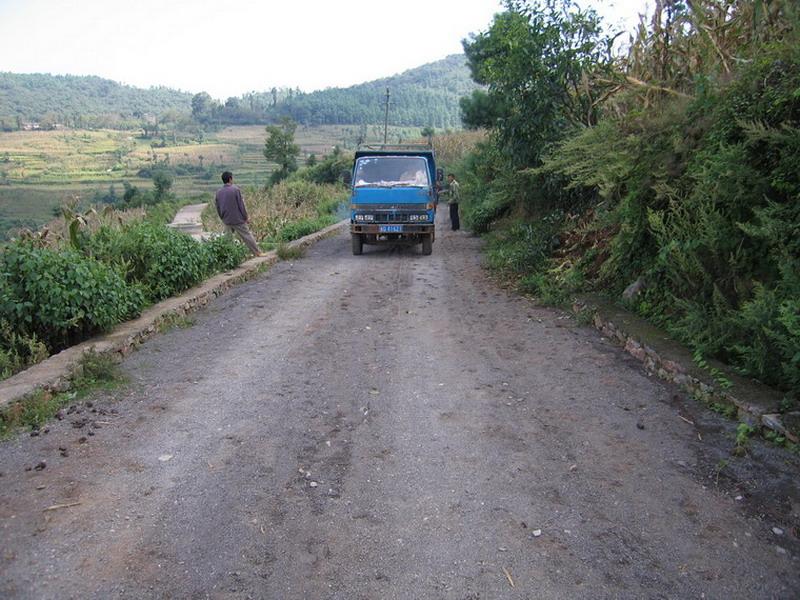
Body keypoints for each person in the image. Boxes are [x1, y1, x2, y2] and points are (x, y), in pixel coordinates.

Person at [214, 171, 264, 257]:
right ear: (230, 179)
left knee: (228, 240)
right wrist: (245, 217)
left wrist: (222, 217)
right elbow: (241, 205)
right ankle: (257, 252)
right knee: (247, 236)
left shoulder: (219, 192)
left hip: (226, 220)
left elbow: (217, 207)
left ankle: (229, 256)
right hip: (237, 219)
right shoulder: (235, 190)